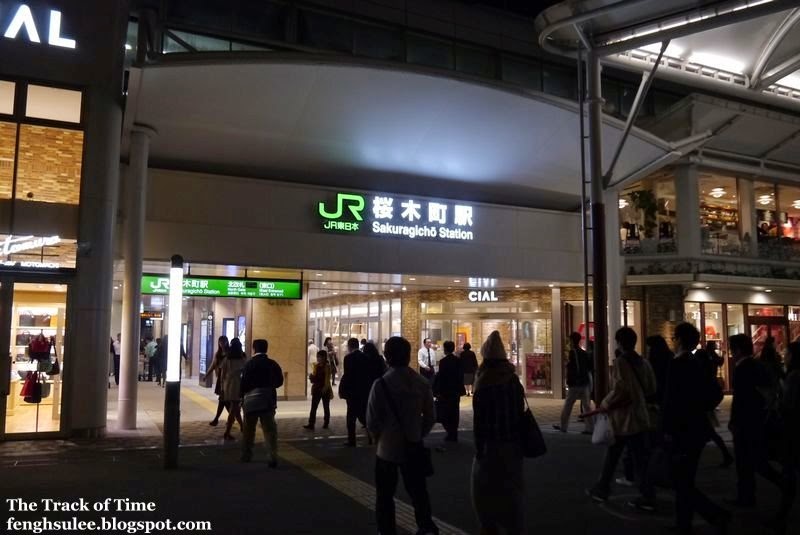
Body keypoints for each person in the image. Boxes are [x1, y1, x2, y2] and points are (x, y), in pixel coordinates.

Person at [661, 323, 729, 534]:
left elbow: (671, 401)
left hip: (682, 430)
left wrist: (667, 429)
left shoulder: (678, 364)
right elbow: (715, 392)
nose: (672, 341)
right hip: (697, 427)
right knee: (684, 478)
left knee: (678, 479)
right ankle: (685, 523)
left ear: (680, 339)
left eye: (673, 337)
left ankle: (714, 514)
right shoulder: (698, 362)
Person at [366, 336, 438, 535]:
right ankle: (425, 527)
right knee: (418, 493)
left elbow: (372, 421)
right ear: (408, 356)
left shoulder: (380, 385)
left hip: (386, 449)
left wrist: (379, 439)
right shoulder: (421, 382)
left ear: (387, 357)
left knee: (385, 495)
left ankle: (386, 530)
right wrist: (418, 434)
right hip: (413, 445)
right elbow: (431, 417)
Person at [587, 327, 657, 511]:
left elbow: (619, 389)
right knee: (638, 457)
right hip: (640, 415)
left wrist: (605, 403)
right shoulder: (644, 362)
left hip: (624, 417)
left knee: (614, 454)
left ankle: (605, 489)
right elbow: (651, 388)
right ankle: (645, 494)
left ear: (619, 342)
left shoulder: (620, 362)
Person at [727, 333, 793, 509]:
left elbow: (741, 399)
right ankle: (751, 493)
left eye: (732, 349)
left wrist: (734, 420)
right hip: (756, 419)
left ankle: (748, 495)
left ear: (738, 350)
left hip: (745, 422)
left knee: (746, 461)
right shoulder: (758, 365)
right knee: (753, 459)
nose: (731, 353)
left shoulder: (742, 368)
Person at [471, 330, 525, 535]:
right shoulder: (513, 381)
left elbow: (479, 421)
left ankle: (489, 527)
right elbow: (519, 412)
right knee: (513, 490)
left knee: (482, 491)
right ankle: (516, 528)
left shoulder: (484, 383)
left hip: (490, 446)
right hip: (514, 444)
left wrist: (478, 448)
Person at [240, 338, 284, 467]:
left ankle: (246, 455)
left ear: (254, 349)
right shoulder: (272, 364)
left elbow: (243, 384)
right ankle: (272, 456)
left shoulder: (249, 364)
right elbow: (279, 381)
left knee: (249, 430)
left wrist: (242, 397)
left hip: (250, 402)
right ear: (266, 349)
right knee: (270, 431)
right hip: (267, 401)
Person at [695, 342, 734, 468]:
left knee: (707, 431)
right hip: (711, 398)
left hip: (705, 401)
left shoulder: (702, 371)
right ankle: (726, 455)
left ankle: (726, 455)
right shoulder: (710, 363)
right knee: (707, 431)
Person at [775, 341, 800, 533]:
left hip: (793, 432)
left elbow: (787, 406)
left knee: (790, 474)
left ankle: (782, 516)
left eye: (788, 353)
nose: (785, 356)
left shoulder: (793, 377)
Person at [554, 332, 593, 434]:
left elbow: (572, 369)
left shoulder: (573, 352)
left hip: (575, 383)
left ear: (572, 341)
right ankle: (590, 427)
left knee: (568, 405)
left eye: (569, 340)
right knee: (587, 406)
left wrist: (569, 381)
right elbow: (588, 367)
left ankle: (563, 426)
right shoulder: (584, 352)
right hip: (585, 382)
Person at [339, 338, 374, 447]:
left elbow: (347, 375)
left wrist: (343, 390)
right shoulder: (366, 357)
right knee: (363, 415)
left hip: (352, 391)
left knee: (351, 417)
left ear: (349, 346)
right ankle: (371, 436)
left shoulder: (348, 358)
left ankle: (351, 440)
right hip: (363, 390)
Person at [432, 341, 465, 443]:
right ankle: (453, 433)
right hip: (455, 390)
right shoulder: (458, 361)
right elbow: (460, 376)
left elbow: (442, 377)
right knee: (455, 411)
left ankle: (450, 432)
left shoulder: (443, 362)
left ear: (445, 349)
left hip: (446, 391)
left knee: (446, 412)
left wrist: (438, 391)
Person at [221, 337, 246, 440]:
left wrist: (222, 388)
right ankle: (227, 432)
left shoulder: (227, 358)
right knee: (234, 408)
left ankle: (242, 427)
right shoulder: (243, 359)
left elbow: (222, 375)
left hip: (228, 385)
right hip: (238, 385)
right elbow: (245, 373)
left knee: (235, 408)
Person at [304, 350, 333, 430]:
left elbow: (327, 379)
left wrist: (325, 388)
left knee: (326, 407)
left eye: (319, 357)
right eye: (317, 357)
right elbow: (314, 378)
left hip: (324, 389)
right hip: (316, 389)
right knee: (313, 407)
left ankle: (326, 423)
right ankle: (311, 423)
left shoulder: (327, 366)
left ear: (324, 357)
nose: (318, 358)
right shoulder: (316, 366)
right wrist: (311, 377)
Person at [206, 336, 230, 427]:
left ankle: (217, 419)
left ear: (227, 342)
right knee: (225, 401)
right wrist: (207, 375)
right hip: (220, 379)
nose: (222, 344)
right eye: (220, 342)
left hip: (227, 379)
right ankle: (233, 417)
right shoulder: (218, 354)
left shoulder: (230, 353)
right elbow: (213, 365)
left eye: (224, 342)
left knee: (223, 400)